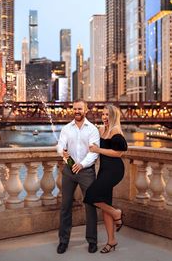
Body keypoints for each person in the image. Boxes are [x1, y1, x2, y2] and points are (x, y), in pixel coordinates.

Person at [56, 99, 100, 254]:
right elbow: (60, 146)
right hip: (69, 171)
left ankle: (92, 241)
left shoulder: (93, 129)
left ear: (85, 110)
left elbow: (93, 152)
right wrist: (64, 154)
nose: (77, 111)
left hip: (86, 172)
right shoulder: (66, 129)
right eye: (75, 109)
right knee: (65, 206)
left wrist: (81, 165)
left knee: (90, 206)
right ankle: (63, 241)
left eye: (80, 109)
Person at [84, 104, 128, 253]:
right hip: (104, 170)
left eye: (107, 115)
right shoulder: (101, 130)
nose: (104, 117)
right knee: (105, 204)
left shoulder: (116, 131)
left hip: (115, 170)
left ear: (114, 116)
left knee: (91, 195)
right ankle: (111, 241)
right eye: (103, 114)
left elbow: (120, 152)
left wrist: (98, 149)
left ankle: (117, 213)